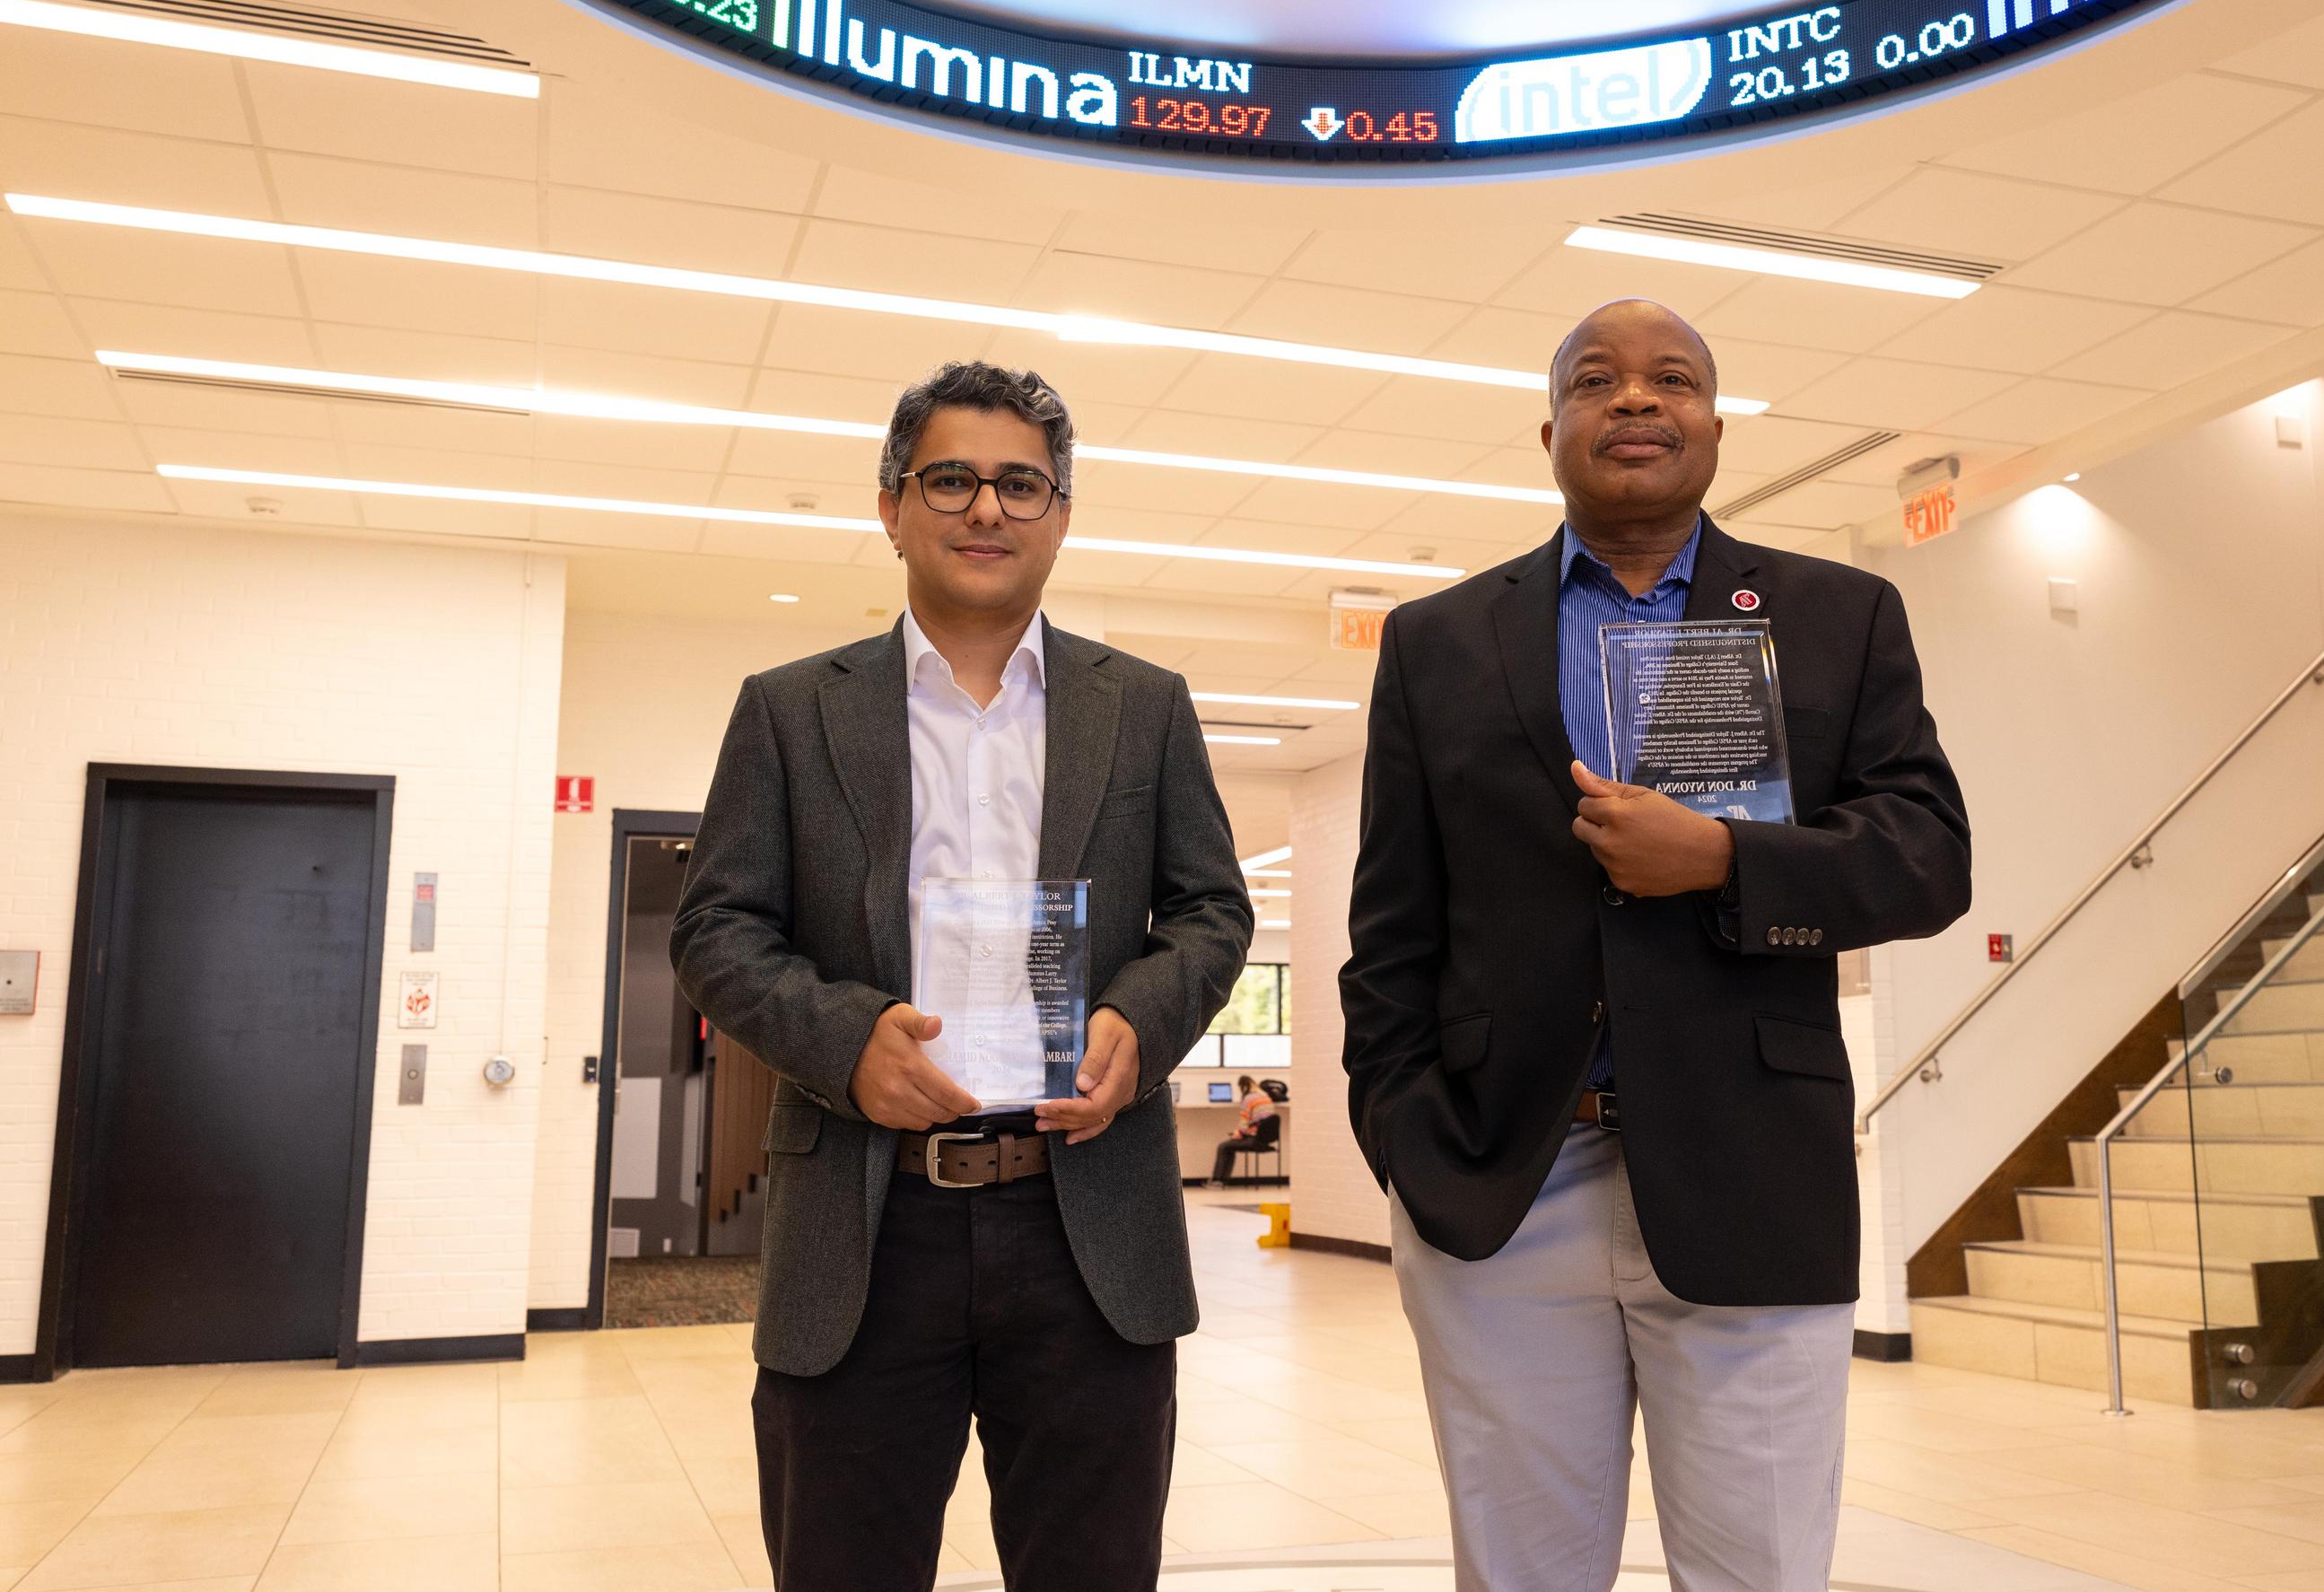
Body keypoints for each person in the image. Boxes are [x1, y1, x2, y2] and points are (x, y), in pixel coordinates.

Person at [1340, 300, 1970, 1592]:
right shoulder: (1439, 643)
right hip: (1505, 1185)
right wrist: (1405, 1140)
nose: (1635, 400)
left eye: (1671, 379)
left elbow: (1929, 855)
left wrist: (1732, 860)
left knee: (1758, 1571)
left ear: (1716, 429)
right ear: (1551, 429)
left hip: (1753, 1178)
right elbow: (1392, 932)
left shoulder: (1837, 615)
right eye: (1597, 381)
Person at [671, 361, 1253, 1592]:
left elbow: (1211, 913)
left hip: (1087, 1221)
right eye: (951, 479)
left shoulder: (1143, 708)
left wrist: (1134, 1028)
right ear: (890, 507)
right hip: (868, 1231)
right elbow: (717, 930)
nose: (987, 508)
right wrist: (848, 1039)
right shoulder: (789, 712)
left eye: (1021, 484)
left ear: (1061, 512)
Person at [1206, 1073, 1277, 1186]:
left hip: (1254, 1139)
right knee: (1229, 1147)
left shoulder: (1248, 1099)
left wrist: (1237, 1133)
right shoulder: (1266, 1097)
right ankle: (1222, 1180)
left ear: (1242, 1087)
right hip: (1266, 1140)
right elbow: (1261, 1122)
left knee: (1223, 1146)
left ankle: (1217, 1180)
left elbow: (1244, 1127)